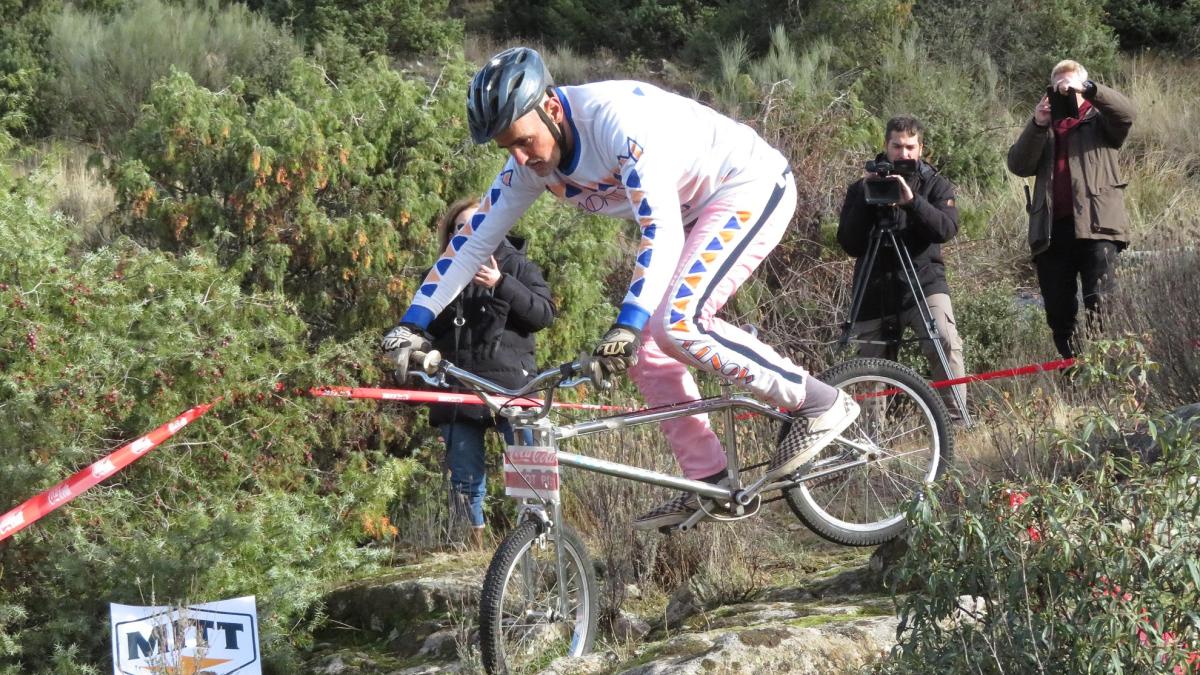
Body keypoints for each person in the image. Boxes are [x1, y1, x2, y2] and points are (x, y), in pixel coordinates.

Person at [382, 46, 859, 531]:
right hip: (693, 210)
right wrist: (411, 324)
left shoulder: (617, 124)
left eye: (524, 142)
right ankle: (710, 480)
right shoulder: (527, 164)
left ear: (549, 107)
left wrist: (627, 323)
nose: (521, 157)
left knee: (677, 324)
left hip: (745, 185)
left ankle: (817, 402)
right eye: (509, 148)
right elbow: (469, 242)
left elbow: (660, 230)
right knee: (650, 354)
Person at [424, 197, 555, 548]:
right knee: (464, 478)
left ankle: (536, 547)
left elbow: (543, 315)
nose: (466, 232)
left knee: (529, 475)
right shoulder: (440, 272)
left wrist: (501, 283)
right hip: (457, 387)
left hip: (513, 385)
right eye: (458, 227)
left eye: (475, 224)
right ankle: (471, 550)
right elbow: (424, 326)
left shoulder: (519, 265)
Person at [837, 115, 967, 417]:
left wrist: (912, 202)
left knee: (945, 342)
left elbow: (945, 230)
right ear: (886, 146)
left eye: (910, 147)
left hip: (923, 282)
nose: (903, 154)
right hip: (873, 287)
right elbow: (850, 244)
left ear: (921, 148)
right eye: (897, 146)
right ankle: (871, 439)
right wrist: (866, 200)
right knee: (869, 366)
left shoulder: (935, 185)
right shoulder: (861, 188)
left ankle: (958, 420)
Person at [1007, 59, 1136, 359]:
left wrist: (1091, 90)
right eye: (1059, 88)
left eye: (1071, 86)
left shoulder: (1101, 121)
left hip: (1097, 226)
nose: (1065, 92)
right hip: (1052, 231)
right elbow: (1018, 164)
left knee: (1101, 303)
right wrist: (1038, 122)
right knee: (1059, 312)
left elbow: (1128, 114)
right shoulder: (1044, 127)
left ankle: (1106, 371)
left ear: (1083, 87)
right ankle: (1073, 370)